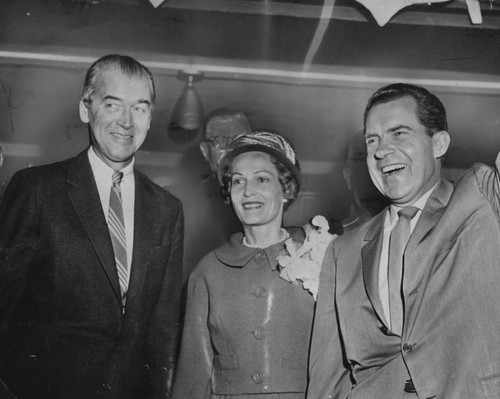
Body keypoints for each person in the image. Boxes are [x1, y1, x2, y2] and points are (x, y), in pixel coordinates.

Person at [0, 54, 184, 399]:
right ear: (86, 108)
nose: (126, 122)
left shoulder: (167, 210)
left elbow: (163, 330)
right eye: (113, 105)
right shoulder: (37, 189)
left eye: (140, 108)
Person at [308, 83, 500, 399]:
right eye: (373, 140)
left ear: (438, 144)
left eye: (399, 133)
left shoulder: (482, 196)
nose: (381, 150)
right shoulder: (342, 252)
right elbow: (326, 379)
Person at [173, 130, 315, 398]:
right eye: (238, 181)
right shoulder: (207, 272)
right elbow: (194, 373)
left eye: (261, 179)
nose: (248, 191)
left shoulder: (318, 256)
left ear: (286, 189)